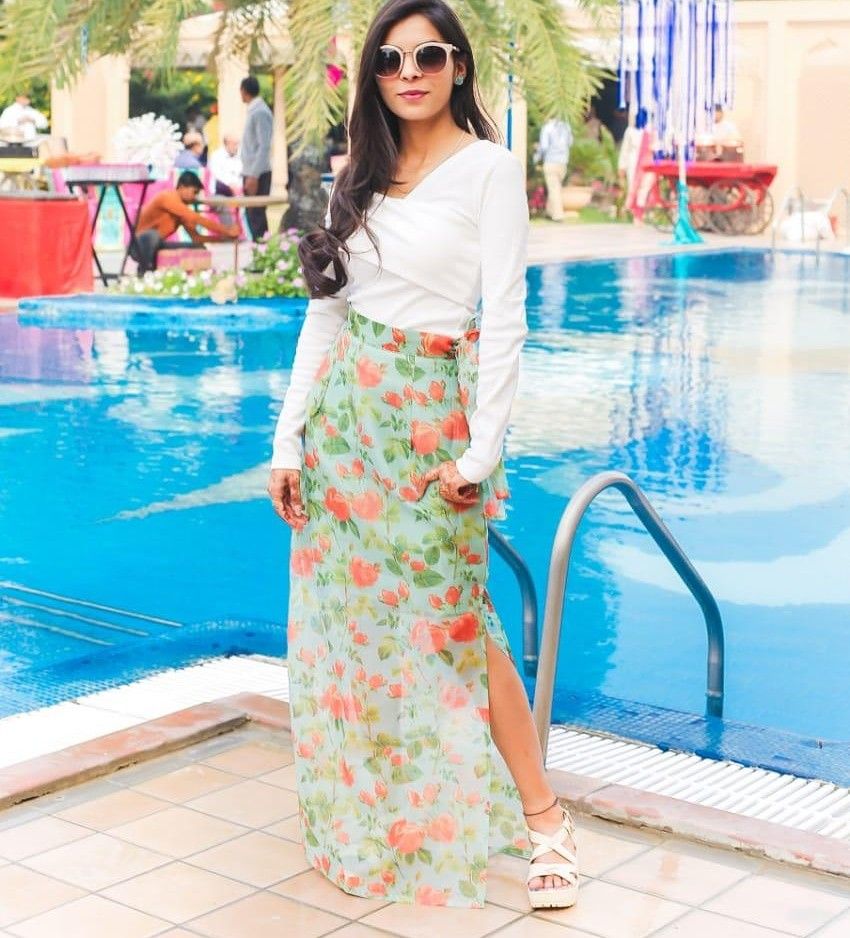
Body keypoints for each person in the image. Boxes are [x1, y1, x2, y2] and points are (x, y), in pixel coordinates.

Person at [267, 0, 578, 912]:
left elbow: (508, 319)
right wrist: (288, 441)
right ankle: (375, 817)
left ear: (458, 68)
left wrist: (483, 455)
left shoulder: (488, 170)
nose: (410, 72)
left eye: (429, 55)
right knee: (351, 630)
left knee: (458, 625)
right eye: (392, 59)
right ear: (372, 75)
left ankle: (546, 823)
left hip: (429, 421)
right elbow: (325, 316)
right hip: (345, 425)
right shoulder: (355, 175)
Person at [129, 170, 238, 275]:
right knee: (152, 235)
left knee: (199, 247)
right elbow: (196, 218)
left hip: (157, 245)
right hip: (138, 246)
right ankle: (143, 273)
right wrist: (226, 230)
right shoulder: (167, 197)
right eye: (194, 192)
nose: (195, 197)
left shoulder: (182, 211)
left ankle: (194, 279)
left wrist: (224, 238)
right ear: (182, 187)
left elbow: (197, 238)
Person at [239, 75, 273, 240]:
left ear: (244, 91)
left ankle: (262, 252)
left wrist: (254, 175)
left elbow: (264, 145)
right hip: (251, 171)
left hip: (257, 173)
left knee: (256, 215)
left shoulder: (260, 112)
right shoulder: (255, 110)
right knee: (252, 215)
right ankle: (258, 251)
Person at [533, 117, 572, 222]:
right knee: (555, 187)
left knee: (554, 189)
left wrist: (536, 158)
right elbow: (570, 143)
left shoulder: (548, 128)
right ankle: (549, 212)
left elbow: (544, 147)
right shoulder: (566, 127)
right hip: (563, 162)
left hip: (551, 161)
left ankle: (558, 216)